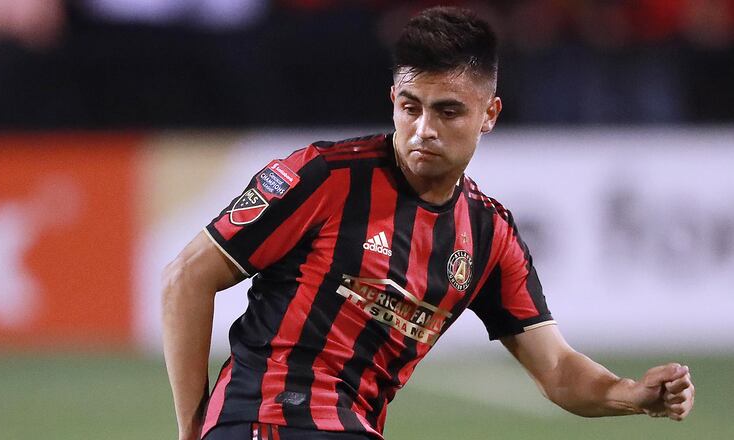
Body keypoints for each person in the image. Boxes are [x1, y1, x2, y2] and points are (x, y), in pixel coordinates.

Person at [162, 7, 695, 440]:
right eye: (410, 107)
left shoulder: (487, 235)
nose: (423, 129)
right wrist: (192, 428)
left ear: (490, 114)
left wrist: (632, 395)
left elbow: (556, 368)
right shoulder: (324, 177)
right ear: (392, 100)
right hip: (267, 418)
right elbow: (186, 276)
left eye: (448, 111)